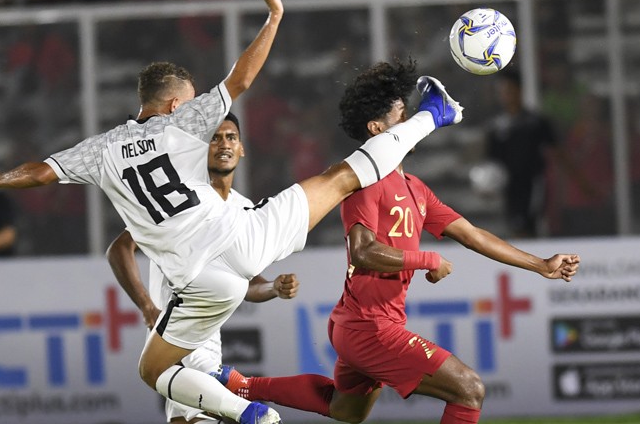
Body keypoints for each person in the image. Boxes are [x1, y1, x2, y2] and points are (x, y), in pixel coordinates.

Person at [0, 0, 464, 424]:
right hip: (245, 235)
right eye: (192, 98)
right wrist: (274, 16)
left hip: (200, 280)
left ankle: (249, 413)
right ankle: (433, 114)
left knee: (154, 370)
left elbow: (40, 172)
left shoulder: (101, 150)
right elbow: (242, 76)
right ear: (177, 101)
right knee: (340, 178)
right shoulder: (186, 119)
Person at [211, 60, 580, 424]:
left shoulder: (415, 188)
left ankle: (243, 386)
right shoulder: (364, 182)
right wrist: (427, 260)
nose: (411, 126)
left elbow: (473, 235)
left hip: (363, 323)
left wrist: (541, 264)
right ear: (377, 128)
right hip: (368, 327)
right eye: (402, 118)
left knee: (344, 409)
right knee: (469, 389)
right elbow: (363, 250)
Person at [107, 113, 300, 424]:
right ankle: (253, 414)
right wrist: (147, 306)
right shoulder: (178, 201)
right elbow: (120, 248)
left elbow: (247, 284)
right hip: (175, 334)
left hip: (206, 340)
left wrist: (273, 288)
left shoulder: (244, 208)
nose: (223, 144)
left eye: (231, 137)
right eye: (214, 138)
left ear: (241, 148)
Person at [485, 70, 559, 238]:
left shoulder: (536, 123)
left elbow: (557, 153)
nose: (506, 96)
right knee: (515, 227)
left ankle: (532, 262)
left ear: (520, 90)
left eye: (509, 90)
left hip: (532, 185)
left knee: (528, 227)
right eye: (502, 92)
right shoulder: (496, 126)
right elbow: (492, 163)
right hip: (509, 188)